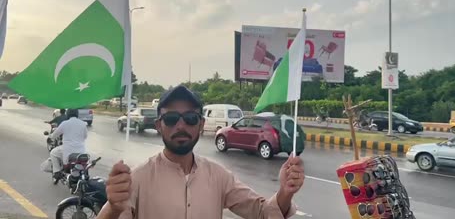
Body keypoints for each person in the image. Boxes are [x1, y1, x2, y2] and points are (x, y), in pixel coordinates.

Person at [97, 85, 305, 219]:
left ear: (201, 125)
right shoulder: (137, 179)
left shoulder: (218, 176)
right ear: (159, 125)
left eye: (190, 118)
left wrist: (285, 192)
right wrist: (113, 208)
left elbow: (262, 212)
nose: (180, 126)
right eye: (171, 119)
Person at [49, 108, 88, 180]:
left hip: (68, 151)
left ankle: (57, 172)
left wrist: (50, 136)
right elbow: (85, 136)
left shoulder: (65, 123)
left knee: (53, 153)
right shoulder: (83, 124)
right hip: (81, 152)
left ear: (68, 114)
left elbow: (55, 135)